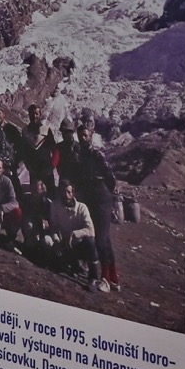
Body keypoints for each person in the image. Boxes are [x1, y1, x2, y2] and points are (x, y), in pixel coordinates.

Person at [74, 118, 119, 292]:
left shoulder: (97, 155)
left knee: (100, 239)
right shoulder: (80, 156)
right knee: (104, 239)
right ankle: (114, 277)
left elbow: (111, 178)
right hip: (90, 199)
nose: (82, 138)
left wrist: (106, 194)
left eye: (85, 135)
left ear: (91, 136)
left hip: (102, 199)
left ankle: (105, 278)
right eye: (80, 136)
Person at [48, 180, 101, 286]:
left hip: (79, 244)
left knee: (90, 241)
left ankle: (92, 278)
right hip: (65, 245)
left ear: (73, 193)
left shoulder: (82, 207)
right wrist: (56, 240)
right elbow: (54, 226)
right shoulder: (55, 205)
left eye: (69, 192)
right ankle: (72, 265)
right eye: (63, 192)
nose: (66, 195)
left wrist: (74, 234)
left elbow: (91, 230)